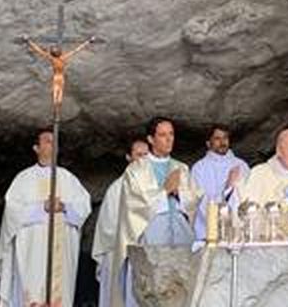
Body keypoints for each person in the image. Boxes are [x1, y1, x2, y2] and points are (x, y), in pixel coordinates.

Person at [108, 117, 200, 307]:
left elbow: (193, 200)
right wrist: (164, 191)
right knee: (152, 289)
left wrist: (180, 193)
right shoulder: (136, 170)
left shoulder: (181, 168)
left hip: (180, 232)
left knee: (181, 288)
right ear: (151, 139)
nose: (169, 139)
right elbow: (134, 205)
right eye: (163, 135)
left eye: (172, 134)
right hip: (151, 232)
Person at [0, 129, 92, 307]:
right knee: (32, 293)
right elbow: (12, 212)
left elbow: (84, 207)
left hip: (61, 251)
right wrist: (42, 207)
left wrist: (64, 207)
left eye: (55, 141)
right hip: (32, 250)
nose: (53, 144)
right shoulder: (24, 179)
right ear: (36, 148)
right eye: (47, 141)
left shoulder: (67, 178)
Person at [93, 139, 149, 307]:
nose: (143, 160)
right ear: (128, 157)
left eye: (146, 155)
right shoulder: (116, 189)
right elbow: (108, 227)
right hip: (121, 253)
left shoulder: (156, 187)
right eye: (138, 155)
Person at [189, 124, 249, 245]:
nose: (222, 142)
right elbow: (199, 204)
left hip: (237, 234)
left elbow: (247, 199)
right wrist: (227, 189)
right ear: (208, 143)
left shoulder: (241, 165)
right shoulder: (199, 168)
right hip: (207, 234)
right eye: (217, 138)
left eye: (225, 138)